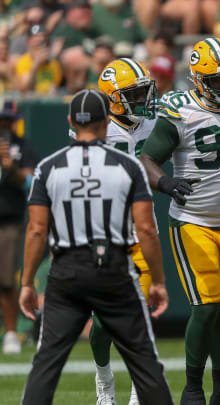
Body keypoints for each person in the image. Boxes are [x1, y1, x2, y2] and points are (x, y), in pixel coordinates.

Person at [19, 89, 172, 405]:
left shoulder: (48, 167)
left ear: (70, 122)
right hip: (115, 266)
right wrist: (157, 280)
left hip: (65, 272)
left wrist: (27, 282)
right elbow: (146, 229)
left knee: (45, 365)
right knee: (144, 361)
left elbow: (35, 231)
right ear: (106, 122)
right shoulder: (129, 167)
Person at [140, 37, 220, 405]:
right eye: (219, 80)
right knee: (207, 305)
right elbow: (148, 160)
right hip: (193, 221)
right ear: (198, 81)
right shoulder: (182, 110)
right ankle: (193, 388)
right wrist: (165, 181)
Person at [91, 57, 159, 405]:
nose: (141, 101)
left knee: (140, 316)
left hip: (143, 229)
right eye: (132, 95)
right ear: (113, 98)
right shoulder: (94, 126)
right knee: (104, 322)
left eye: (142, 93)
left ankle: (137, 390)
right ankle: (103, 375)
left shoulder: (154, 123)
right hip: (104, 232)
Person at [0, 100, 36, 355]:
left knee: (5, 279)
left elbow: (32, 181)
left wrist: (11, 169)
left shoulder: (21, 147)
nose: (5, 125)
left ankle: (11, 332)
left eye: (8, 120)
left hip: (8, 220)